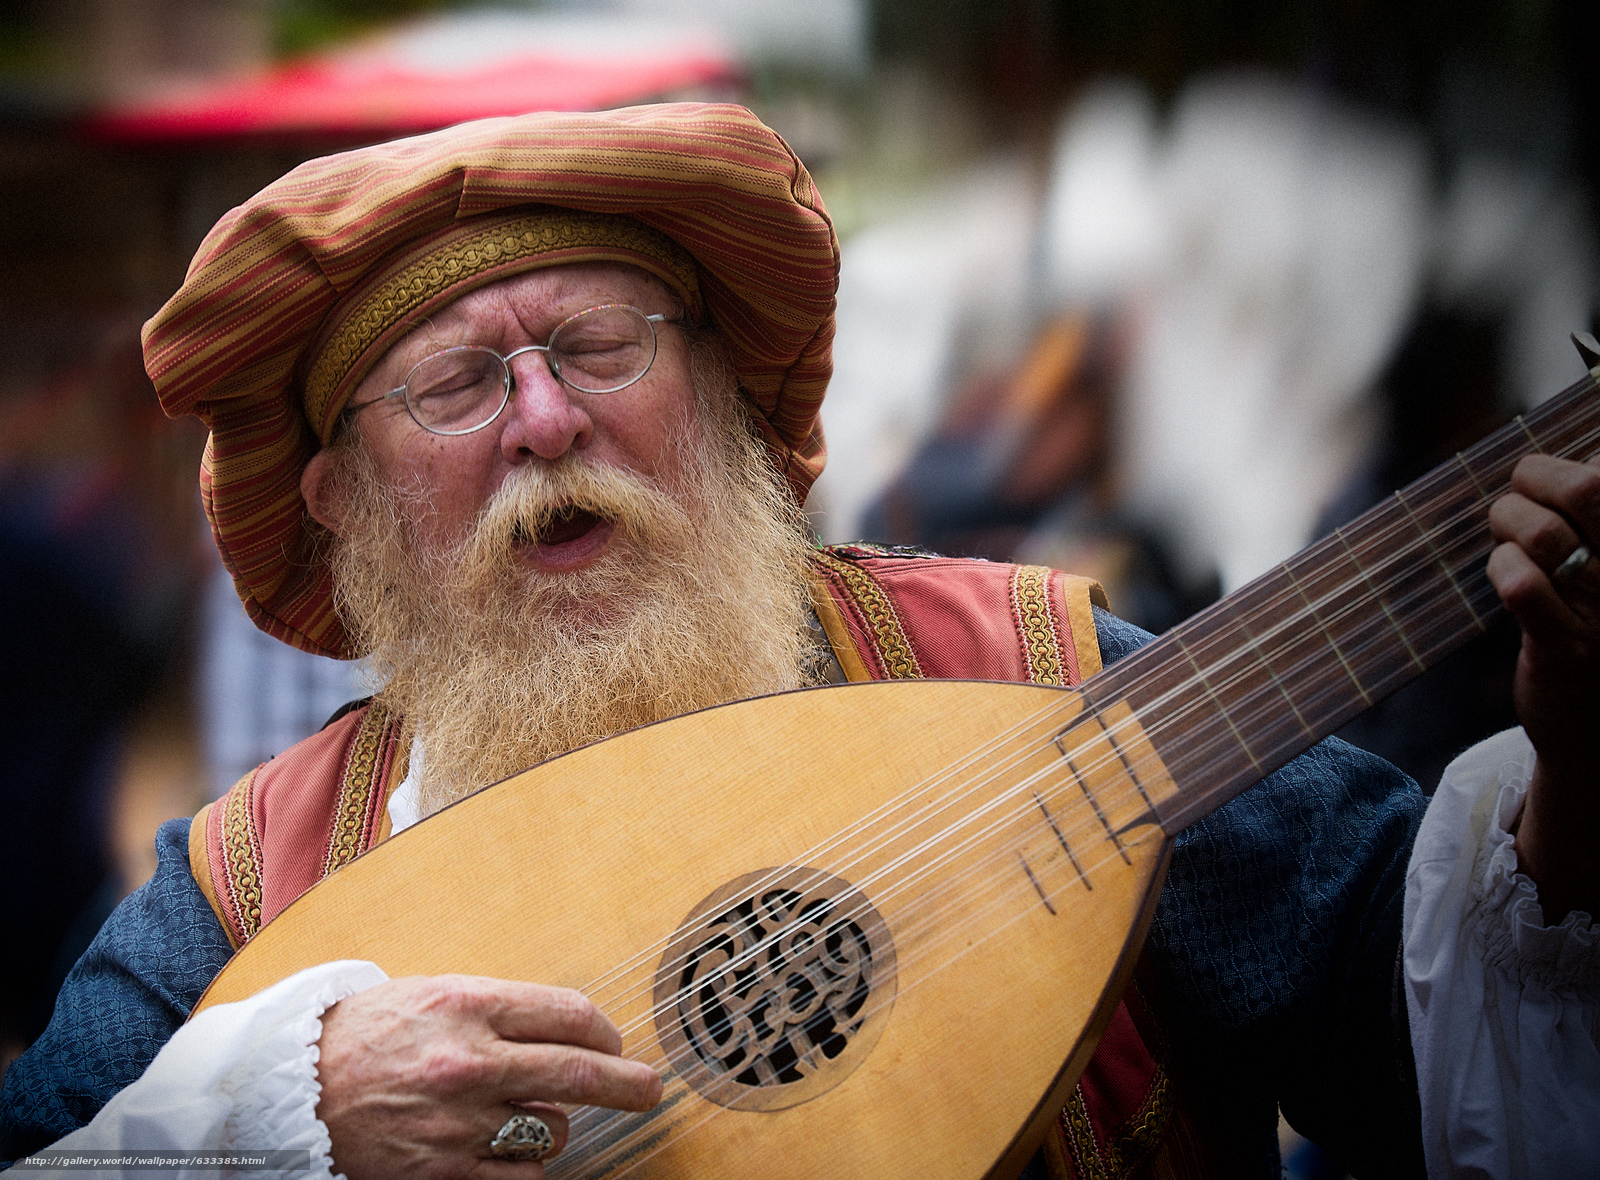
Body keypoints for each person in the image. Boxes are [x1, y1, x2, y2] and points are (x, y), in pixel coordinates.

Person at [2, 103, 1596, 1179]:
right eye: (456, 385)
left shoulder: (1026, 674)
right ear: (342, 498)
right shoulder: (250, 885)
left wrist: (1578, 773)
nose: (547, 422)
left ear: (729, 406)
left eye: (600, 345)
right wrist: (291, 1116)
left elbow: (1440, 1053)